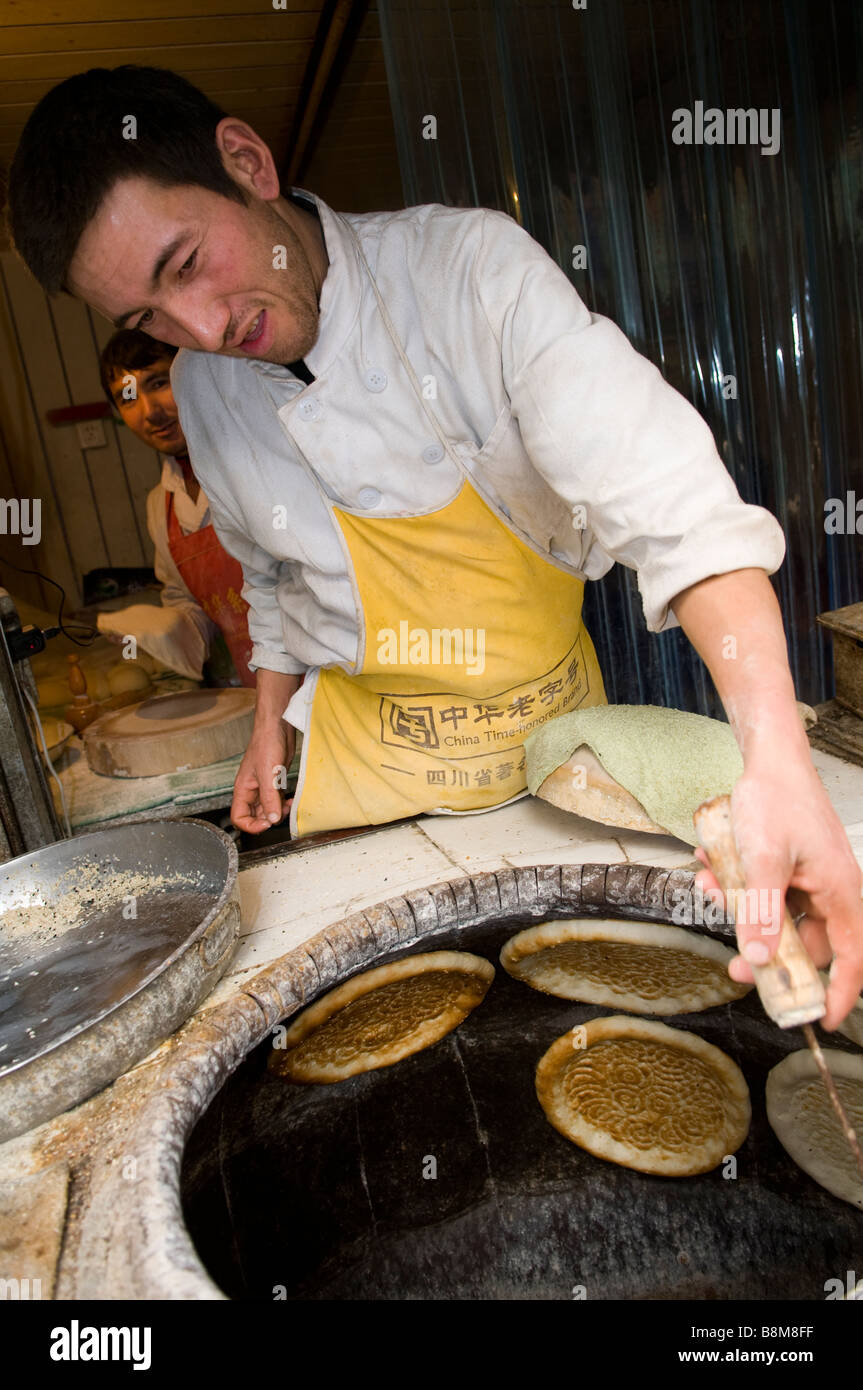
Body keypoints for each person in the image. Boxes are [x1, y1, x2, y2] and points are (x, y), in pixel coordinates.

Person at [7, 65, 862, 1029]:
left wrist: (776, 755)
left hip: (552, 765)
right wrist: (263, 726)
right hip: (370, 781)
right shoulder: (206, 390)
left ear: (245, 163)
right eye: (146, 319)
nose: (201, 329)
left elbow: (670, 503)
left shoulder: (467, 276)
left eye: (187, 262)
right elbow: (270, 573)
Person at [98, 329, 254, 686]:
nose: (151, 412)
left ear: (194, 373)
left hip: (323, 682)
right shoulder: (161, 505)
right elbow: (192, 606)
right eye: (128, 397)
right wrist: (167, 629)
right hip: (245, 692)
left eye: (158, 383)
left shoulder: (256, 462)